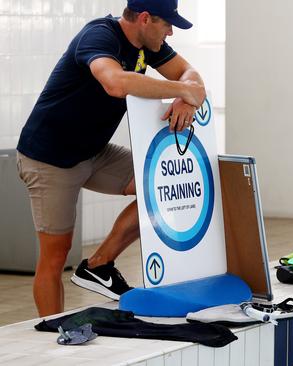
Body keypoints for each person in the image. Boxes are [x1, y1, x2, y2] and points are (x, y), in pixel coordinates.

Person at [16, 0, 206, 316]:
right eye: (167, 24)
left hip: (93, 152)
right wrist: (182, 91)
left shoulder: (150, 43)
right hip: (49, 159)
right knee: (55, 257)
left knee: (158, 185)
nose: (171, 32)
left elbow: (191, 75)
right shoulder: (98, 36)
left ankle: (98, 265)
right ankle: (54, 334)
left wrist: (187, 100)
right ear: (145, 19)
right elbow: (115, 83)